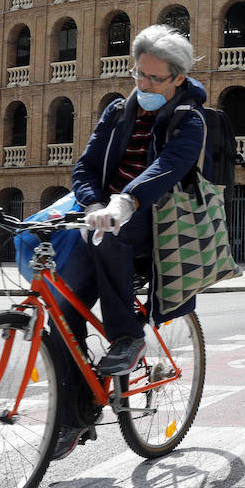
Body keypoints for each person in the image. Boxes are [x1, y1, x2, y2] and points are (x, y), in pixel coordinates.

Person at [52, 24, 210, 458]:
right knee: (61, 311)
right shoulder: (118, 111)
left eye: (154, 78)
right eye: (138, 74)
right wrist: (91, 204)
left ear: (178, 78)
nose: (142, 84)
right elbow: (84, 167)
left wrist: (125, 203)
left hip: (154, 221)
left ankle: (128, 337)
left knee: (108, 239)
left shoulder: (188, 119)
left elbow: (167, 168)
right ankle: (75, 415)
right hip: (101, 217)